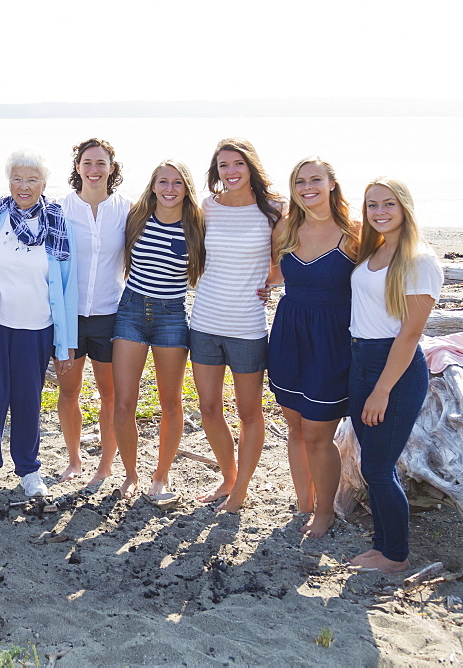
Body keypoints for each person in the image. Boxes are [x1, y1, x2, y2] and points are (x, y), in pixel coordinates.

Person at [0, 148, 77, 498]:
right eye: (17, 179)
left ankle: (28, 469)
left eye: (31, 180)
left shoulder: (56, 221)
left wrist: (65, 340)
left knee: (28, 398)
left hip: (37, 327)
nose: (23, 186)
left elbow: (67, 285)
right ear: (8, 181)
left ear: (44, 183)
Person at [348, 177, 442, 574]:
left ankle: (396, 556)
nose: (379, 212)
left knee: (377, 467)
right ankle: (381, 545)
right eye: (372, 205)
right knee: (372, 460)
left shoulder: (419, 260)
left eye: (388, 204)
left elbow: (410, 333)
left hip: (396, 370)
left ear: (404, 207)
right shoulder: (376, 249)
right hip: (360, 360)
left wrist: (382, 389)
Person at [190, 138, 283, 512]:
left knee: (249, 412)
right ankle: (228, 478)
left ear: (250, 168)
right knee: (209, 407)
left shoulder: (274, 210)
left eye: (237, 164)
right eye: (223, 165)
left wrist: (271, 283)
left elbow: (284, 259)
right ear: (216, 171)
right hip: (205, 321)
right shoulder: (208, 208)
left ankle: (242, 488)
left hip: (247, 326)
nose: (231, 171)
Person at [267, 157, 360, 536]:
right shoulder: (286, 226)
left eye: (316, 180)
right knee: (295, 426)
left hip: (332, 339)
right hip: (289, 332)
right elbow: (274, 274)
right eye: (300, 181)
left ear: (332, 184)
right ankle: (303, 503)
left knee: (319, 432)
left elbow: (378, 277)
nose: (308, 187)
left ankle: (324, 511)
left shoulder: (354, 232)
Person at [112, 160, 205, 501]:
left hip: (171, 315)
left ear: (186, 189)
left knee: (170, 402)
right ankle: (131, 474)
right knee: (124, 403)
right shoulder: (136, 217)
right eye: (163, 182)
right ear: (152, 186)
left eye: (177, 183)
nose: (169, 189)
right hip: (131, 311)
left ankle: (160, 476)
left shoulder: (196, 225)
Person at [55, 138, 132, 485]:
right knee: (69, 392)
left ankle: (105, 464)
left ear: (112, 168)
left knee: (110, 394)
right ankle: (73, 460)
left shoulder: (127, 209)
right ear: (77, 167)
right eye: (87, 162)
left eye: (101, 163)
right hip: (69, 317)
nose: (94, 169)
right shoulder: (59, 209)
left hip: (110, 314)